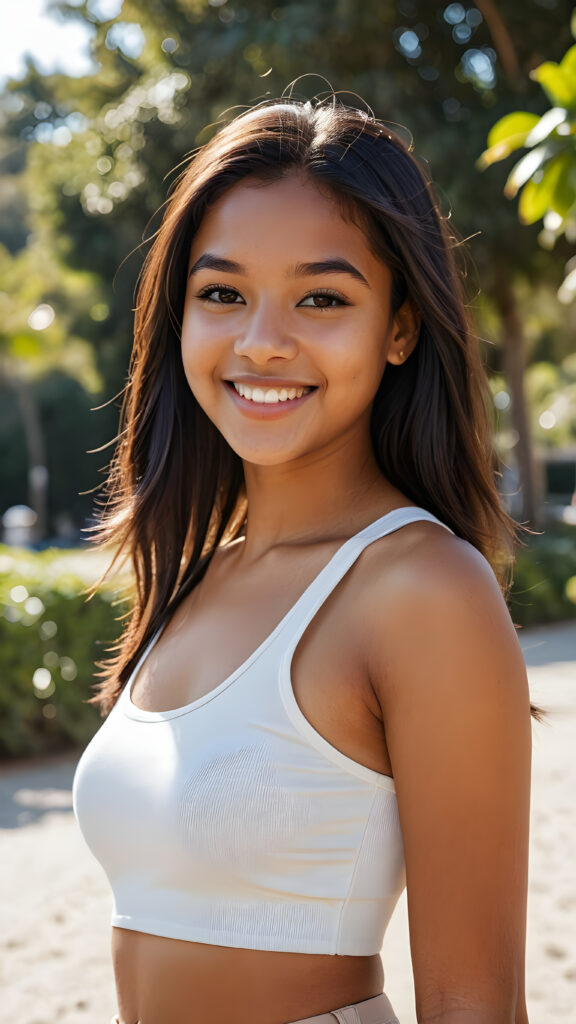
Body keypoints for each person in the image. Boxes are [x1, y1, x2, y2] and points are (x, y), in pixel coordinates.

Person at [72, 96, 534, 1024]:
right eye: (222, 294)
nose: (261, 341)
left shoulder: (422, 590)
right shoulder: (202, 574)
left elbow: (471, 1000)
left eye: (322, 297)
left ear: (399, 327)